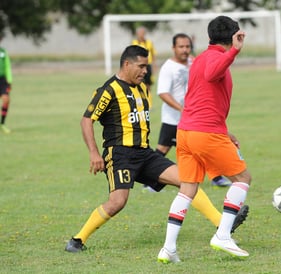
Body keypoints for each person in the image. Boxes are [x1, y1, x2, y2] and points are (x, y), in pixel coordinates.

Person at [64, 45, 248, 253]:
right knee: (117, 202)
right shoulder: (109, 90)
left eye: (147, 67)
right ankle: (77, 240)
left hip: (145, 153)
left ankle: (222, 223)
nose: (145, 71)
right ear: (126, 64)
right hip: (120, 155)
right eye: (141, 66)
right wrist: (94, 153)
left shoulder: (142, 88)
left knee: (187, 181)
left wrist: (222, 130)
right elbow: (86, 120)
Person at [157, 16, 251, 263]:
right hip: (204, 133)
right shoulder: (217, 59)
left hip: (186, 132)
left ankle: (168, 248)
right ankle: (222, 235)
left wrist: (224, 129)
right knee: (242, 179)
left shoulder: (198, 59)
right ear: (233, 37)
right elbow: (213, 75)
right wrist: (234, 53)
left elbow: (203, 98)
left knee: (187, 189)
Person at [155, 33, 231, 187]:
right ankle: (149, 181)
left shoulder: (193, 62)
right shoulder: (168, 67)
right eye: (181, 47)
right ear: (173, 48)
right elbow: (163, 93)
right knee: (162, 149)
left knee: (201, 146)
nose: (185, 50)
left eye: (187, 46)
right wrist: (182, 109)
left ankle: (216, 178)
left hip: (193, 119)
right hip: (173, 118)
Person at [132, 26, 156, 108]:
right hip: (138, 66)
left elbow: (153, 55)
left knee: (148, 85)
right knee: (138, 84)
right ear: (137, 34)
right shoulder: (134, 42)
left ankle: (149, 103)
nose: (141, 35)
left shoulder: (149, 43)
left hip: (148, 66)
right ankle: (139, 103)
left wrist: (154, 65)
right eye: (139, 33)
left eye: (142, 33)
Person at [0, 38, 12, 134]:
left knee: (6, 99)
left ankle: (2, 123)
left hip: (2, 80)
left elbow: (7, 66)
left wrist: (9, 80)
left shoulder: (3, 52)